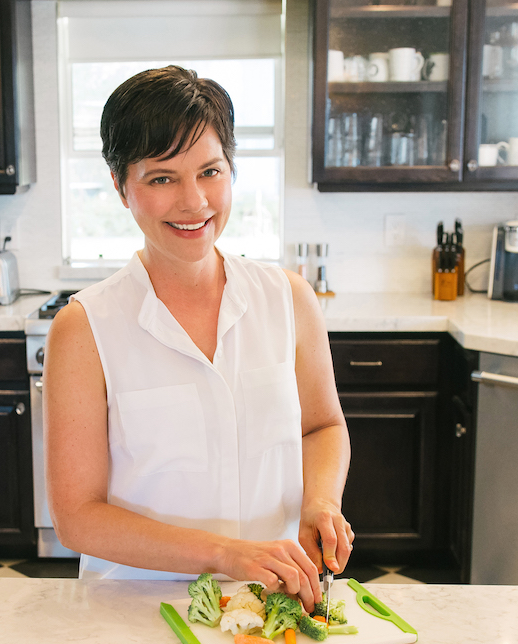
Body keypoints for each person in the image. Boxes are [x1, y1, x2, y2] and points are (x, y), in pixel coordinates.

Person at [44, 65, 352, 612]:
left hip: (269, 605)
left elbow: (322, 426)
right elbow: (78, 516)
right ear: (121, 187)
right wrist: (225, 555)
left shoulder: (289, 299)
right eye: (162, 178)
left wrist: (321, 501)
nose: (194, 202)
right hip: (135, 610)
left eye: (210, 171)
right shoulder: (85, 328)